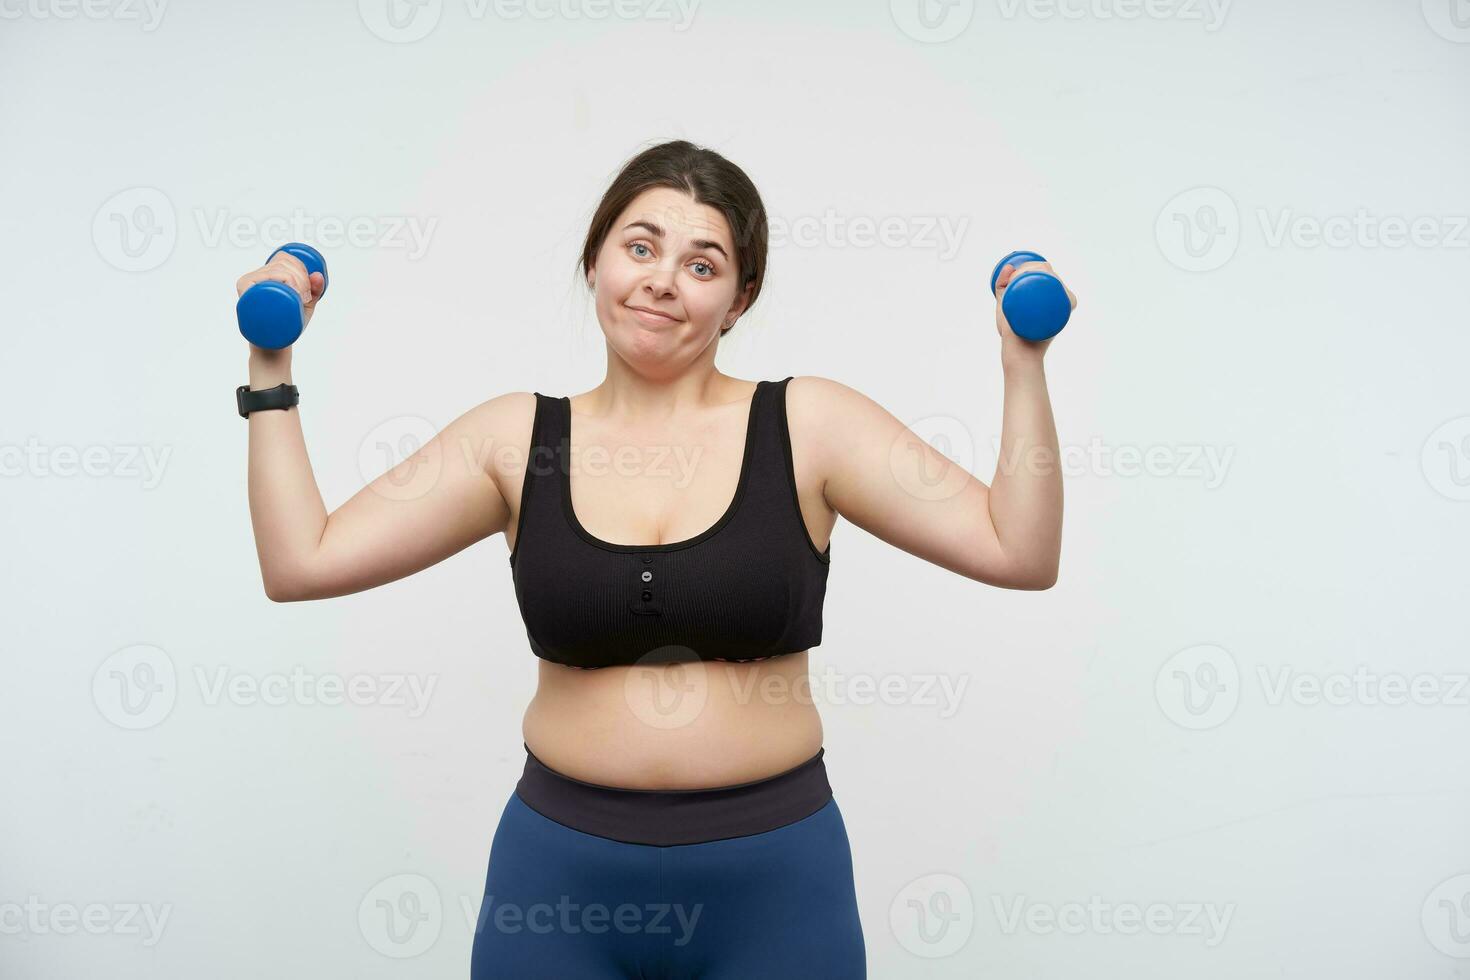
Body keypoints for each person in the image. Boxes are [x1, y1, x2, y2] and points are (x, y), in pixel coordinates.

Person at [235, 139, 1072, 978]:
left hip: (777, 888)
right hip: (557, 889)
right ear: (594, 260)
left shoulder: (809, 426)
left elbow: (1018, 549)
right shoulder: (517, 439)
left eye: (702, 265)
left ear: (739, 300)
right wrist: (271, 368)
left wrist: (1021, 362)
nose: (663, 279)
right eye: (639, 247)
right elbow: (302, 563)